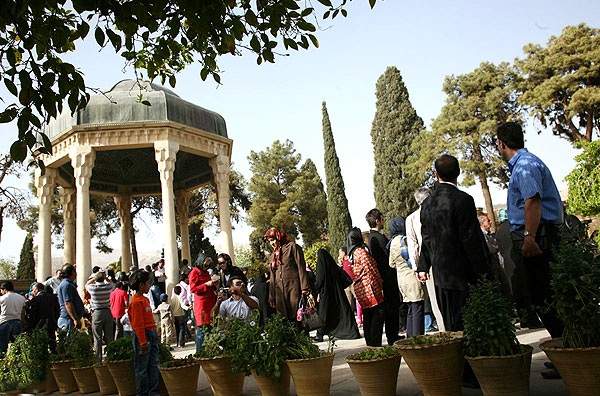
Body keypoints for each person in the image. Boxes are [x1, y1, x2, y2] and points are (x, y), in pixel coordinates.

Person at [496, 122, 564, 379]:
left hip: (538, 236)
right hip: (538, 234)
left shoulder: (524, 166)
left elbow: (532, 200)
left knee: (543, 295)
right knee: (542, 295)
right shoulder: (526, 163)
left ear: (502, 143)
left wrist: (529, 237)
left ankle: (564, 352)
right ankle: (561, 350)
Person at [417, 155, 490, 332]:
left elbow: (426, 238)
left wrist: (423, 266)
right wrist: (484, 271)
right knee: (473, 324)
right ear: (458, 172)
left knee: (452, 324)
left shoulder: (427, 204)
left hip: (441, 274)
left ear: (436, 174)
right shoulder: (463, 200)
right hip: (464, 273)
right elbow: (470, 239)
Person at [406, 187, 443, 333]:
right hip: (440, 258)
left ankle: (444, 329)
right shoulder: (439, 211)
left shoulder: (412, 218)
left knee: (435, 300)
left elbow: (413, 245)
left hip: (427, 261)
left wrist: (418, 267)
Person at [366, 209, 401, 345]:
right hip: (387, 277)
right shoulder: (377, 238)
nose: (383, 220)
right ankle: (393, 336)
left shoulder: (373, 237)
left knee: (392, 307)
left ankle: (393, 334)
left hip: (385, 277)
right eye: (382, 218)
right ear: (377, 220)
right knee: (392, 307)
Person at [347, 227, 385, 347]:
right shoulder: (361, 251)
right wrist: (380, 281)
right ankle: (375, 342)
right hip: (370, 286)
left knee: (367, 316)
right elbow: (370, 268)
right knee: (376, 316)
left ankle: (370, 342)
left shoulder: (351, 253)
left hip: (360, 288)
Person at [388, 217, 425, 338]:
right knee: (417, 307)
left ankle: (410, 337)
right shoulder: (405, 240)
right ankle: (417, 337)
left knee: (410, 309)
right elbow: (414, 258)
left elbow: (391, 264)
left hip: (401, 280)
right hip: (412, 278)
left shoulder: (392, 242)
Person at [264, 228, 311, 322]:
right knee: (283, 319)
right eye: (270, 241)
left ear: (279, 237)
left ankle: (301, 336)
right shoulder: (273, 256)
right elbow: (272, 277)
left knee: (298, 316)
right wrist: (271, 295)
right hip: (279, 293)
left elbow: (301, 267)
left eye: (273, 240)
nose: (272, 243)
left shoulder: (292, 247)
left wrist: (304, 288)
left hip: (293, 288)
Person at [314, 249, 360, 341]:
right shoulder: (333, 266)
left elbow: (319, 280)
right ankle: (351, 331)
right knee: (343, 311)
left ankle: (320, 335)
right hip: (337, 293)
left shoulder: (321, 266)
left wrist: (316, 290)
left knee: (323, 314)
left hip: (325, 294)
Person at [129, 269, 159, 396]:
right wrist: (142, 341)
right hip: (144, 336)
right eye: (147, 283)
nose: (149, 285)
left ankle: (154, 392)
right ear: (141, 285)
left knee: (153, 365)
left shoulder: (144, 299)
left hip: (150, 333)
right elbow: (138, 324)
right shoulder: (136, 302)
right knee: (142, 368)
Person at [188, 252, 219, 353]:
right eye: (206, 263)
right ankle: (200, 353)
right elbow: (193, 289)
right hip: (202, 306)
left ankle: (210, 352)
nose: (207, 265)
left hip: (210, 303)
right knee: (201, 330)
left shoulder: (205, 272)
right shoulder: (194, 272)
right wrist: (206, 284)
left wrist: (214, 284)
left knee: (210, 328)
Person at [478, 212, 512, 298]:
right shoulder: (483, 235)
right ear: (481, 223)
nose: (490, 222)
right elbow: (492, 248)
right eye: (488, 221)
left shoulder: (488, 234)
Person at [85, 271, 115, 361]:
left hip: (97, 312)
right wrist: (106, 278)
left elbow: (86, 284)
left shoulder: (93, 288)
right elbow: (113, 284)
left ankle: (98, 360)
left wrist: (94, 278)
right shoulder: (108, 287)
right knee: (109, 336)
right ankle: (110, 357)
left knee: (97, 337)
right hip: (107, 311)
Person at [22, 283, 59, 353]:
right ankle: (54, 356)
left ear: (36, 289)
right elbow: (57, 311)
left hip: (40, 324)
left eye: (33, 290)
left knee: (41, 343)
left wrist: (30, 326)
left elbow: (33, 314)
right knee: (52, 342)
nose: (32, 292)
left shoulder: (36, 299)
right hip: (52, 322)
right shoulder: (53, 297)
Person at [0, 281, 26, 355]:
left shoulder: (2, 298)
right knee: (17, 346)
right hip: (17, 322)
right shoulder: (21, 298)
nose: (1, 292)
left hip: (4, 322)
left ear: (4, 289)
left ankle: (2, 363)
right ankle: (17, 363)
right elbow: (23, 312)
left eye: (1, 290)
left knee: (2, 346)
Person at [57, 264, 85, 332]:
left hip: (70, 319)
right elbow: (68, 303)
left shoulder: (68, 284)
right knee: (68, 341)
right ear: (72, 272)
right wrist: (75, 319)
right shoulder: (66, 285)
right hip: (68, 320)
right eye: (74, 271)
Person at [339, 247, 362, 327]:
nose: (339, 254)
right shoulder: (341, 262)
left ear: (344, 252)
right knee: (348, 303)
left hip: (353, 282)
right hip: (346, 284)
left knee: (358, 300)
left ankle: (359, 318)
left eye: (340, 252)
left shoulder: (350, 258)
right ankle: (351, 322)